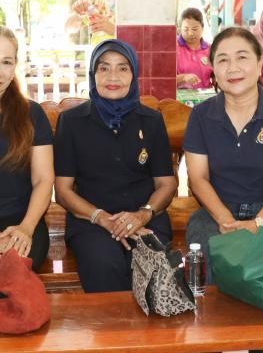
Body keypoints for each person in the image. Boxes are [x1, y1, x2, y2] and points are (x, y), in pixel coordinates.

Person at [184, 27, 263, 286]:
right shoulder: (201, 116)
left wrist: (259, 222)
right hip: (217, 211)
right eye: (223, 60)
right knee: (212, 261)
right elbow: (198, 179)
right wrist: (225, 220)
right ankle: (213, 314)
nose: (233, 68)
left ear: (260, 64)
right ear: (213, 70)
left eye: (242, 57)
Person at [54, 39, 177, 293]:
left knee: (148, 261)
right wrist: (102, 219)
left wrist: (142, 215)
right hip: (91, 221)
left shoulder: (151, 121)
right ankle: (111, 322)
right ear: (93, 74)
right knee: (103, 264)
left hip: (145, 217)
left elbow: (166, 183)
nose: (113, 76)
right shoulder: (72, 122)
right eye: (104, 68)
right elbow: (63, 190)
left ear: (134, 74)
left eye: (123, 68)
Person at [0, 26, 54, 271]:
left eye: (6, 62)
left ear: (15, 66)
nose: (0, 72)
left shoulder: (31, 114)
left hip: (23, 222)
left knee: (13, 268)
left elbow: (43, 179)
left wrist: (26, 227)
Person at [176, 8, 213, 89]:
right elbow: (165, 78)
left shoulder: (210, 49)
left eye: (194, 29)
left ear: (202, 28)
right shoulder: (174, 48)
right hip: (180, 96)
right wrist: (183, 77)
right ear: (180, 29)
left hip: (207, 95)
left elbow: (215, 73)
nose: (190, 33)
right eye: (186, 29)